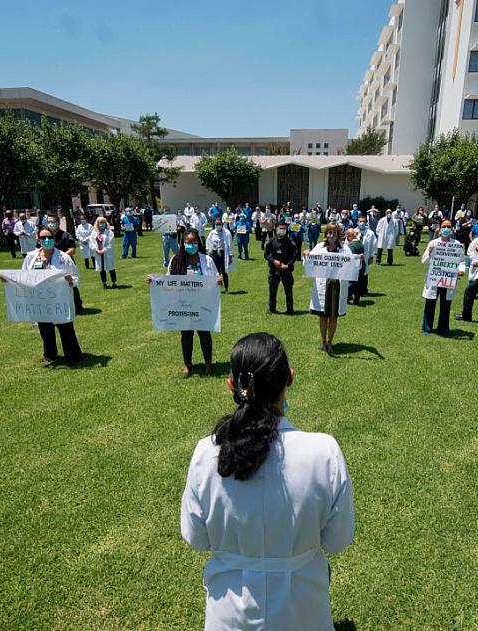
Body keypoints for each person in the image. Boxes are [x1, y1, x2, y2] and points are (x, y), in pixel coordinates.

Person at [180, 333, 354, 631]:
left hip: (229, 616)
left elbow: (196, 538)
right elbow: (338, 541)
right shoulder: (324, 452)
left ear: (232, 385)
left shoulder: (205, 454)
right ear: (290, 378)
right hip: (304, 613)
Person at [146, 229, 223, 376]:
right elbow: (169, 280)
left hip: (202, 304)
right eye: (188, 242)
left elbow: (215, 278)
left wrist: (219, 281)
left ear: (198, 243)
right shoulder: (176, 260)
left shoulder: (207, 260)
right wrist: (154, 281)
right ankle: (187, 363)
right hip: (183, 304)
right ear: (183, 243)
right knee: (186, 335)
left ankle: (208, 364)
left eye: (194, 242)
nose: (191, 245)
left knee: (204, 334)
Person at [17, 228, 83, 365]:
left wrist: (70, 280)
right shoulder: (31, 257)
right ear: (38, 239)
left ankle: (73, 355)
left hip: (59, 299)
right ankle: (50, 354)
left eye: (50, 237)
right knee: (45, 328)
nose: (47, 240)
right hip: (41, 300)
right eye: (43, 237)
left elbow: (76, 276)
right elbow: (24, 276)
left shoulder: (64, 257)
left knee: (65, 327)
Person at [305, 223, 358, 354]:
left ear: (338, 234)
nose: (331, 235)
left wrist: (358, 259)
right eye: (329, 232)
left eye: (334, 232)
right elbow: (310, 262)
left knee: (333, 316)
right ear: (325, 234)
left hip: (337, 286)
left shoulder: (345, 249)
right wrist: (306, 253)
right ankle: (323, 341)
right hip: (322, 285)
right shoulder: (319, 247)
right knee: (322, 316)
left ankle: (330, 342)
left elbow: (352, 265)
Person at [421, 220, 466, 335]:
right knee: (430, 303)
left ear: (452, 229)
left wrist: (461, 270)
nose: (446, 229)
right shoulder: (433, 243)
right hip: (434, 278)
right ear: (440, 228)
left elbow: (461, 261)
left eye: (448, 227)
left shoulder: (456, 244)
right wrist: (430, 252)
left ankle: (443, 328)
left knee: (445, 305)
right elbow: (424, 261)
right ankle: (427, 328)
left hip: (448, 279)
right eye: (444, 226)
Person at [265, 220, 297, 314]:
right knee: (272, 290)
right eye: (280, 228)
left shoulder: (290, 242)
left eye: (284, 229)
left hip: (286, 270)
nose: (282, 230)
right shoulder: (271, 241)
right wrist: (273, 261)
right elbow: (266, 255)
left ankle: (290, 310)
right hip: (274, 270)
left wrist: (287, 265)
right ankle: (272, 309)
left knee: (288, 291)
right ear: (276, 228)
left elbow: (294, 256)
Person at [205, 218, 234, 293]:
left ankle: (226, 288)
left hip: (223, 254)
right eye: (216, 224)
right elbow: (208, 242)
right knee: (216, 272)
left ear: (222, 224)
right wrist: (208, 250)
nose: (218, 225)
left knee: (225, 272)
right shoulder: (212, 233)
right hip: (214, 254)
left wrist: (230, 256)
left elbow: (230, 244)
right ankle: (217, 288)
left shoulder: (227, 233)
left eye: (219, 224)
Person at [90, 217, 117, 288]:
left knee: (111, 267)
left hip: (107, 253)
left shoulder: (109, 232)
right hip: (98, 253)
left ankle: (114, 282)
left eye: (103, 222)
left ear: (106, 223)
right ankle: (104, 283)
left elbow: (111, 243)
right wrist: (97, 250)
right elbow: (91, 242)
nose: (102, 224)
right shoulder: (94, 232)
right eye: (100, 222)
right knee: (101, 268)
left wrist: (103, 250)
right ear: (97, 223)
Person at [346, 228, 370, 306]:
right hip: (361, 266)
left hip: (354, 267)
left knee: (351, 283)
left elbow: (351, 257)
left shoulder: (351, 245)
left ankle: (346, 297)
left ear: (349, 236)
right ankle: (356, 299)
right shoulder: (360, 243)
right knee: (358, 283)